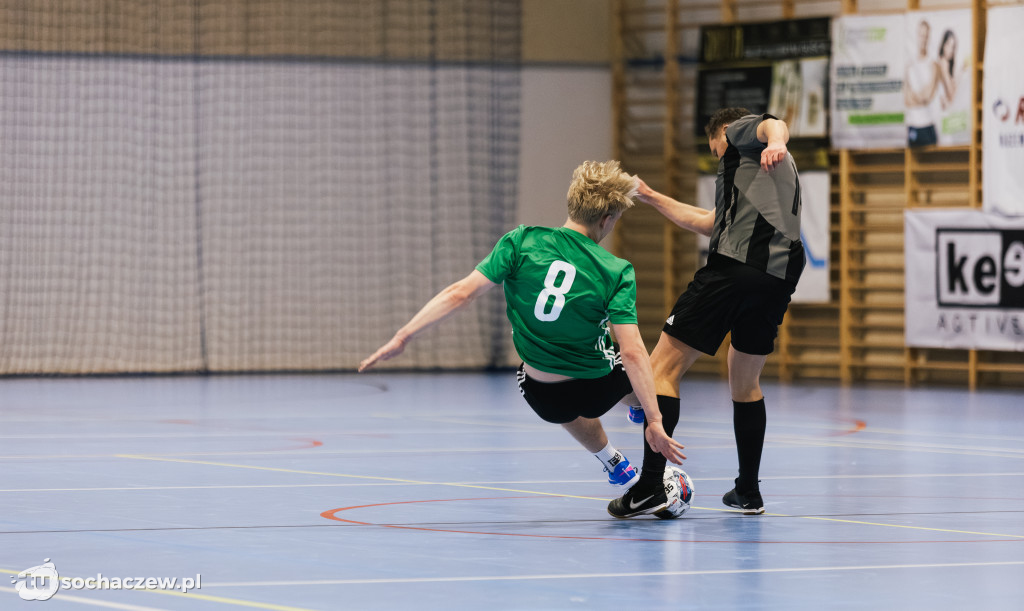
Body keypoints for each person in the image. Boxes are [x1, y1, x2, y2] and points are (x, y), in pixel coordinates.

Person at [359, 160, 685, 497]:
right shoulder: (616, 269)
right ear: (607, 219)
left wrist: (403, 336)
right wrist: (654, 419)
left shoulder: (520, 242)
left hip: (544, 396)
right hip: (597, 388)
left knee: (532, 373)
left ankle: (613, 462)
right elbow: (632, 352)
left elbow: (460, 294)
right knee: (640, 366)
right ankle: (633, 407)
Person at [608, 109, 804, 517]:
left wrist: (777, 141)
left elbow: (773, 123)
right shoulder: (755, 189)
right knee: (745, 380)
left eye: (715, 149)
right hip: (778, 277)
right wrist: (648, 194)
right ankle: (748, 491)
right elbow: (709, 221)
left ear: (720, 135)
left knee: (661, 370)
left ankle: (649, 486)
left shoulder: (737, 134)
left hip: (734, 269)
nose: (718, 156)